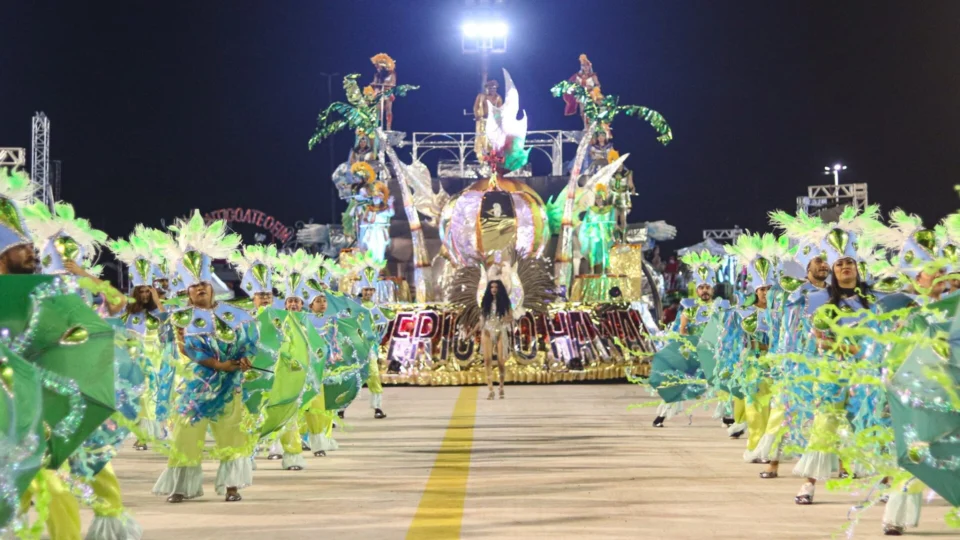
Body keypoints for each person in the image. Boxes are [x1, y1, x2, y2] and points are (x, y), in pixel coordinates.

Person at [153, 211, 258, 504]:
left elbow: (248, 339)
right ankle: (181, 487)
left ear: (211, 286)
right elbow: (185, 349)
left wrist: (244, 358)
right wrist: (216, 364)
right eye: (194, 285)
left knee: (231, 434)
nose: (200, 288)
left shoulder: (235, 313)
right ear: (187, 290)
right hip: (194, 385)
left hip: (228, 384)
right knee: (186, 435)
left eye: (204, 284)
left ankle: (232, 486)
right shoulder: (180, 317)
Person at [475, 274, 513, 400]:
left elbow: (511, 317)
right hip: (487, 330)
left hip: (501, 330)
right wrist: (472, 332)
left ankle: (501, 386)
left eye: (496, 287)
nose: (493, 289)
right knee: (487, 360)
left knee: (501, 361)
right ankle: (490, 389)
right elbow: (481, 320)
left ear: (499, 289)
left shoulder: (506, 302)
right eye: (491, 287)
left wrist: (505, 318)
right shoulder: (485, 302)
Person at [563, 54, 601, 129]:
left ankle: (594, 125)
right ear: (581, 67)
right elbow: (576, 85)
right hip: (582, 95)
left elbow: (598, 85)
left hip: (591, 94)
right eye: (584, 66)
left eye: (587, 66)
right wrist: (576, 89)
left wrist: (592, 88)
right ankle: (586, 127)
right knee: (582, 113)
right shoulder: (578, 76)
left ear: (589, 66)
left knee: (592, 110)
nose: (585, 67)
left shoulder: (593, 76)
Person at [473, 79, 503, 158]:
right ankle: (482, 160)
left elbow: (500, 111)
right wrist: (477, 116)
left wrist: (497, 120)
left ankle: (493, 160)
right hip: (482, 121)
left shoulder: (498, 98)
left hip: (493, 123)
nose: (492, 90)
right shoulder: (481, 96)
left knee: (493, 141)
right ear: (487, 88)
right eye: (490, 88)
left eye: (494, 88)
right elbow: (475, 107)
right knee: (481, 140)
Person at [370, 53, 397, 130]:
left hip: (387, 93)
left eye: (377, 65)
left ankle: (388, 127)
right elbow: (374, 83)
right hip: (379, 94)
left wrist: (386, 86)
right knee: (378, 110)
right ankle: (378, 127)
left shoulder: (392, 73)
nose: (376, 67)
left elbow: (393, 83)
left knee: (388, 109)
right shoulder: (377, 74)